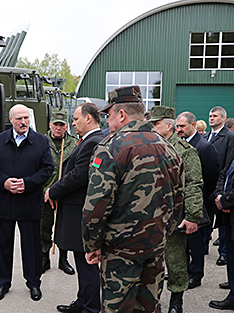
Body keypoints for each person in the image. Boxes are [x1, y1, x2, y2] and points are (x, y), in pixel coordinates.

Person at [82, 85, 184, 312]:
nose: (107, 121)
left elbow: (96, 206)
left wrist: (92, 244)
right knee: (149, 306)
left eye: (109, 115)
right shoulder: (169, 148)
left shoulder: (110, 148)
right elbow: (178, 200)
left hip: (121, 251)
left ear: (122, 114)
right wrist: (163, 235)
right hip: (155, 247)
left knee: (118, 308)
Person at [0, 104, 54, 302]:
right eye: (19, 119)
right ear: (11, 120)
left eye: (26, 118)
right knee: (2, 245)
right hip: (4, 204)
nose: (23, 122)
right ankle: (2, 283)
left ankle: (33, 283)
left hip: (29, 203)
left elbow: (47, 168)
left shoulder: (41, 141)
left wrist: (28, 183)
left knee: (31, 246)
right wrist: (4, 182)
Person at [45, 103, 103, 313]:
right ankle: (83, 301)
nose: (73, 123)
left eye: (76, 119)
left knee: (86, 263)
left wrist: (53, 191)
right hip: (78, 209)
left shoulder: (93, 141)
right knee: (82, 261)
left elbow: (79, 175)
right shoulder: (90, 140)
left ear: (89, 118)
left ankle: (90, 307)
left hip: (81, 212)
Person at [150, 106, 204, 313]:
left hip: (174, 216)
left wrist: (193, 216)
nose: (153, 128)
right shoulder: (148, 147)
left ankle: (176, 302)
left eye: (156, 124)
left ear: (168, 125)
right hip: (149, 217)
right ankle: (152, 300)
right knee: (151, 263)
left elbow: (193, 184)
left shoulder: (185, 151)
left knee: (175, 262)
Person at [176, 112, 219, 289]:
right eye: (177, 126)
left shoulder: (203, 146)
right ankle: (184, 270)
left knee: (196, 242)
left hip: (199, 202)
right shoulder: (180, 144)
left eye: (182, 126)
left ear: (193, 125)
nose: (178, 130)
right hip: (182, 203)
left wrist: (203, 202)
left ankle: (196, 274)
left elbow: (210, 176)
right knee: (183, 241)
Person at [41, 109, 78, 275]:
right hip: (45, 194)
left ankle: (64, 259)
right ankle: (44, 258)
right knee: (44, 226)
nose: (58, 128)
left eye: (61, 125)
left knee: (64, 227)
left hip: (65, 194)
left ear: (66, 126)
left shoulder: (75, 143)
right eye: (55, 124)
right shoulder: (41, 142)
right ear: (50, 125)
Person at [203, 107, 234, 267]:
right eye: (210, 115)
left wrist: (221, 190)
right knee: (205, 220)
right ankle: (203, 247)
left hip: (220, 187)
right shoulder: (206, 136)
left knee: (222, 222)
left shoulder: (229, 137)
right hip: (206, 186)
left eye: (215, 116)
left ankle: (223, 253)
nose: (211, 118)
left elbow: (228, 163)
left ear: (223, 118)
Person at [210, 152, 234, 310]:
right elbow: (224, 173)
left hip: (230, 207)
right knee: (231, 256)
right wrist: (219, 196)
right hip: (229, 215)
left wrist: (225, 201)